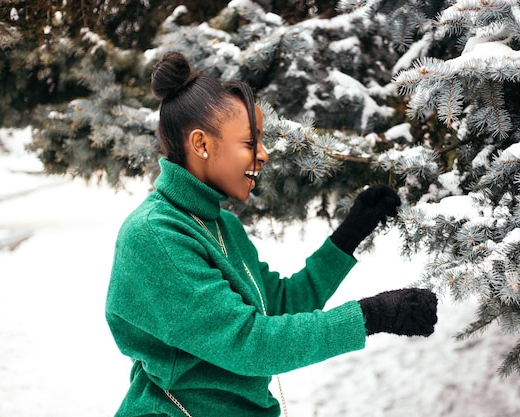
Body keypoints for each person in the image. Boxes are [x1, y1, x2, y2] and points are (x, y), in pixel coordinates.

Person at [105, 51, 438, 417]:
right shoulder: (155, 236)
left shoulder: (222, 225)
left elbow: (277, 306)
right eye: (250, 143)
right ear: (201, 144)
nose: (263, 155)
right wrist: (371, 316)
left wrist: (348, 235)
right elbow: (250, 342)